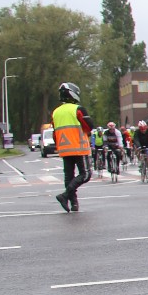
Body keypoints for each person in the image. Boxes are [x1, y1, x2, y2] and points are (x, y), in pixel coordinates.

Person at [52, 82, 95, 212]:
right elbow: (89, 126)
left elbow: (55, 132)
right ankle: (65, 195)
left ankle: (73, 204)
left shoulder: (56, 112)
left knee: (69, 177)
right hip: (79, 147)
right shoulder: (78, 109)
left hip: (64, 149)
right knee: (86, 174)